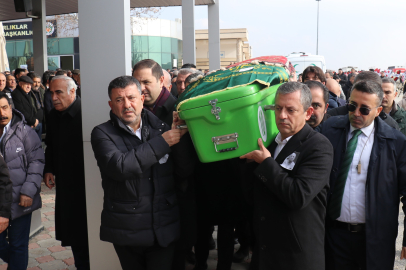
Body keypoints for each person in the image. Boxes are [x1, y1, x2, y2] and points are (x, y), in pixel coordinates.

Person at [91, 76, 187, 270]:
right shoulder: (102, 133)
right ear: (111, 104)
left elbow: (184, 170)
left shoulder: (162, 129)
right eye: (119, 100)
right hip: (127, 228)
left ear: (142, 99)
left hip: (163, 225)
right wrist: (164, 142)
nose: (127, 105)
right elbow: (120, 167)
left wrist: (180, 138)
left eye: (131, 98)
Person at [240, 82, 333, 269]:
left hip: (296, 257)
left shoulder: (318, 147)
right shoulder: (270, 144)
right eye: (278, 108)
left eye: (291, 110)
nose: (282, 116)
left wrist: (266, 163)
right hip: (265, 253)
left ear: (307, 113)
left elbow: (298, 196)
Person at [321, 80, 406, 270]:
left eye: (364, 109)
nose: (356, 113)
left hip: (375, 240)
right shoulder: (329, 130)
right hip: (334, 237)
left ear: (378, 111)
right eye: (352, 106)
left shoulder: (396, 143)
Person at [43, 75, 90, 270]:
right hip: (65, 186)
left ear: (73, 91)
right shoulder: (53, 115)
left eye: (58, 92)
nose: (53, 97)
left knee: (87, 233)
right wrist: (49, 169)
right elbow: (51, 145)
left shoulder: (87, 113)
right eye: (51, 93)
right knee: (73, 234)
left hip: (87, 185)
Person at [0, 91, 44, 269]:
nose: (1, 113)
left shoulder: (25, 131)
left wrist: (28, 191)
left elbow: (37, 161)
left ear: (11, 108)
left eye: (4, 107)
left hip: (21, 199)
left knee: (18, 245)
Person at [327, 71, 400, 130]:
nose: (357, 114)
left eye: (365, 109)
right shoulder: (330, 118)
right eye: (359, 87)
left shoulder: (391, 127)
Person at [132, 59, 177, 126]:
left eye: (146, 82)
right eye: (137, 83)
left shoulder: (178, 110)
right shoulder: (129, 110)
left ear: (161, 81)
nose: (141, 88)